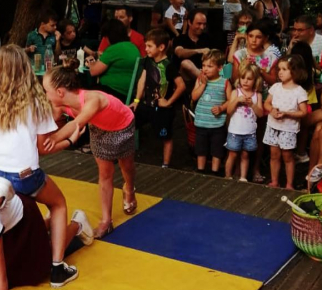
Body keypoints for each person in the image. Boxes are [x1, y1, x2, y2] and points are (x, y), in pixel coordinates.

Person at [0, 45, 79, 287]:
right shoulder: (36, 102)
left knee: (28, 201)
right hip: (23, 176)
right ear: (25, 70)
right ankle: (57, 268)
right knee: (58, 204)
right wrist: (70, 141)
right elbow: (44, 148)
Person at [43, 62, 137, 239]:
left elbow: (76, 124)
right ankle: (106, 221)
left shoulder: (92, 99)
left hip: (122, 126)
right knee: (105, 173)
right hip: (99, 128)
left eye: (46, 91)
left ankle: (129, 189)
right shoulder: (60, 104)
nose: (45, 95)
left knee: (126, 166)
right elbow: (48, 121)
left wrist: (54, 139)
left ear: (60, 92)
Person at [231, 20, 279, 183]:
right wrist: (244, 67)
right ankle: (238, 168)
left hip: (262, 100)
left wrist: (260, 71)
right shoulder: (240, 54)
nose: (253, 40)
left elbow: (274, 81)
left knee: (259, 135)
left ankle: (256, 168)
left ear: (265, 38)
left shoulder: (271, 57)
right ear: (246, 36)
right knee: (239, 132)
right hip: (242, 100)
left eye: (258, 37)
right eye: (251, 36)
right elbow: (234, 79)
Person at [131, 28, 186, 168]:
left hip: (163, 109)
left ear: (161, 47)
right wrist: (137, 100)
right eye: (146, 45)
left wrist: (168, 102)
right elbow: (142, 80)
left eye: (149, 46)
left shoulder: (169, 66)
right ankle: (123, 156)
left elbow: (181, 86)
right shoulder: (147, 61)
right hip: (146, 104)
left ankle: (165, 165)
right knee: (128, 125)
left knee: (166, 136)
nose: (146, 49)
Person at [263, 56, 308, 189]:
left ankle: (289, 184)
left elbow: (303, 112)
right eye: (279, 69)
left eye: (284, 69)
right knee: (274, 155)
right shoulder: (276, 87)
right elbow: (266, 103)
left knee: (287, 156)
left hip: (288, 129)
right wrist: (272, 110)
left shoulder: (299, 91)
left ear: (294, 71)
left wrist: (287, 114)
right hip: (273, 126)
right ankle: (275, 181)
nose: (280, 72)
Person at [224, 61, 264, 182]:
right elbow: (228, 110)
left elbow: (260, 114)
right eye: (243, 78)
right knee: (232, 154)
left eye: (249, 79)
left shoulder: (257, 95)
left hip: (249, 132)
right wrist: (236, 100)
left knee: (245, 155)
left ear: (255, 80)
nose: (245, 81)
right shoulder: (235, 92)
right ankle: (227, 176)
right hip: (235, 131)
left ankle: (243, 177)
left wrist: (252, 104)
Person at [191, 49, 229, 175]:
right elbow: (194, 96)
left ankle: (215, 171)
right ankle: (200, 169)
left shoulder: (225, 82)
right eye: (204, 66)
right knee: (201, 149)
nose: (205, 69)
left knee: (216, 149)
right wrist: (202, 85)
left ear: (219, 68)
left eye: (210, 66)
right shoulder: (200, 79)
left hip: (217, 124)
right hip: (201, 122)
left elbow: (230, 100)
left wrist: (221, 108)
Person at [86, 19, 140, 101]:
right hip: (128, 93)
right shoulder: (133, 47)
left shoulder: (114, 49)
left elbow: (94, 72)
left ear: (109, 36)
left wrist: (91, 64)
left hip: (112, 91)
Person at [172, 9, 210, 84]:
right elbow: (180, 53)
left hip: (204, 72)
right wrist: (199, 51)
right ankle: (208, 83)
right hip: (185, 79)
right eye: (199, 24)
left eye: (204, 24)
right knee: (186, 63)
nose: (202, 27)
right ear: (189, 22)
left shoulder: (208, 38)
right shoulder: (180, 39)